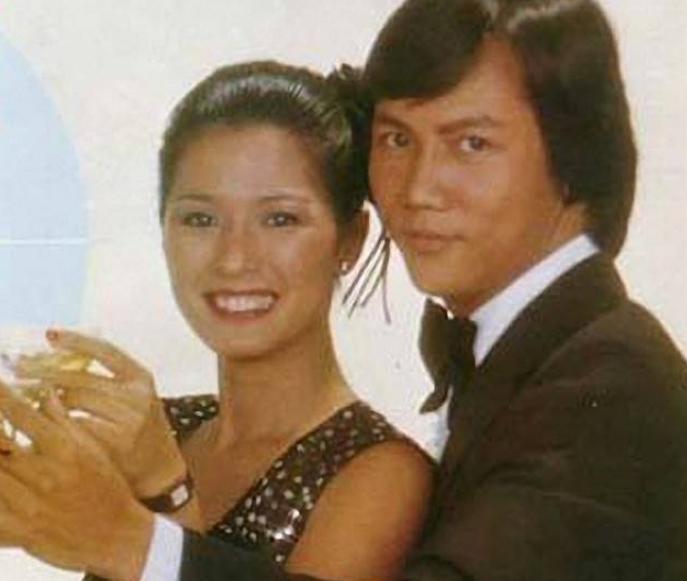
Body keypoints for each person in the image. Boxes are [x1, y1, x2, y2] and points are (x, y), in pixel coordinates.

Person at [1, 0, 687, 579]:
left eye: (471, 143)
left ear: (575, 159)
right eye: (396, 139)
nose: (417, 190)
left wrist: (135, 530)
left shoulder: (613, 387)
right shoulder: (532, 359)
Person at [0, 61, 432, 580]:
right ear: (164, 231)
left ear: (350, 240)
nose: (234, 259)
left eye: (280, 219)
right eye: (200, 220)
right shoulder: (160, 427)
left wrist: (166, 488)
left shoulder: (384, 477)